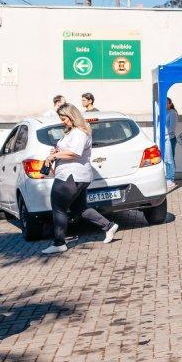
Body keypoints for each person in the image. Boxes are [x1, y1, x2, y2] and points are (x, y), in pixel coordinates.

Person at [41, 103, 119, 254]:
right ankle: (108, 226)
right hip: (77, 176)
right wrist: (57, 151)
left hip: (70, 176)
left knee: (58, 208)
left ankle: (59, 243)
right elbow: (70, 150)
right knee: (79, 208)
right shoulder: (74, 132)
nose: (62, 121)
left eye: (64, 118)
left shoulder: (79, 132)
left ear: (72, 116)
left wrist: (54, 155)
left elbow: (75, 153)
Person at [164, 98, 177, 191]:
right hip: (164, 139)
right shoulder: (163, 112)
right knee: (165, 159)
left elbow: (172, 127)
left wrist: (162, 133)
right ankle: (167, 178)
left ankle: (171, 179)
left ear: (170, 103)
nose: (164, 104)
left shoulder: (172, 113)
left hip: (169, 138)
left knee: (170, 159)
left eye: (166, 103)